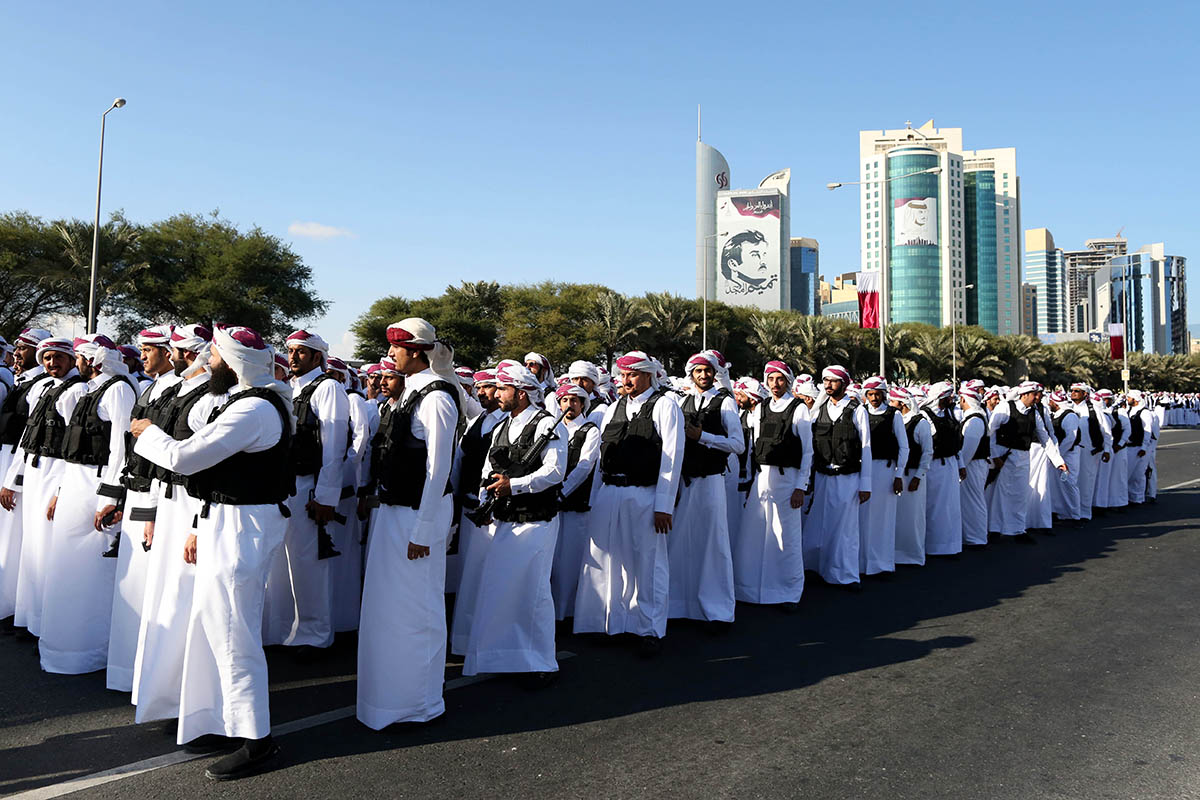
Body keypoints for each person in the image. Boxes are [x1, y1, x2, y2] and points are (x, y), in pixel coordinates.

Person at [130, 324, 292, 779]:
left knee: (233, 634)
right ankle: (226, 720)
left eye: (215, 357)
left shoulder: (255, 409)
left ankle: (257, 741)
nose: (208, 363)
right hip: (228, 520)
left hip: (243, 527)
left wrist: (147, 432)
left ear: (234, 363)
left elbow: (185, 458)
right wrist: (202, 525)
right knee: (214, 625)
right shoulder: (246, 401)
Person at [357, 318, 463, 730]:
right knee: (389, 609)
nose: (390, 357)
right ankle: (389, 700)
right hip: (394, 511)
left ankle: (418, 702)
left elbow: (439, 469)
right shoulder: (409, 393)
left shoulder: (436, 398)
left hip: (418, 516)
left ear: (416, 351)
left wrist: (423, 529)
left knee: (416, 609)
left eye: (396, 350)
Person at [131, 323, 217, 726]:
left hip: (190, 504)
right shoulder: (177, 392)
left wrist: (198, 526)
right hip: (166, 503)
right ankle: (163, 696)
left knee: (185, 600)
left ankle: (188, 700)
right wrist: (150, 514)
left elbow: (210, 467)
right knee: (164, 599)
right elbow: (154, 460)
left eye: (180, 349)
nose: (175, 354)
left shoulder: (214, 398)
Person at [574, 350, 683, 657]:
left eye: (632, 375)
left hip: (645, 494)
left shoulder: (665, 405)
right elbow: (599, 461)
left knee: (648, 564)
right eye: (622, 375)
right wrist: (595, 498)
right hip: (610, 491)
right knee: (609, 561)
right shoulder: (613, 408)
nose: (626, 381)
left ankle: (649, 629)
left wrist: (664, 505)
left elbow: (672, 459)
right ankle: (612, 623)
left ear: (648, 375)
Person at [461, 362, 565, 684]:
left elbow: (555, 471)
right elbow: (486, 470)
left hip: (536, 520)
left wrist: (516, 486)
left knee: (533, 593)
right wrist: (486, 499)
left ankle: (541, 663)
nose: (497, 393)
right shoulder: (503, 426)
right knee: (502, 590)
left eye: (503, 389)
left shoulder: (547, 424)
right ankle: (507, 657)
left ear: (521, 393)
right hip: (505, 519)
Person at [39, 335, 136, 674]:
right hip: (75, 482)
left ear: (93, 359)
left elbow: (121, 448)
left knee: (92, 571)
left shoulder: (118, 389)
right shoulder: (85, 390)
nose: (77, 361)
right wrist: (60, 491)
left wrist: (109, 496)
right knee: (67, 566)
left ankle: (94, 651)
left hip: (97, 485)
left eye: (81, 356)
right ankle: (64, 649)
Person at [264, 330, 348, 653]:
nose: (294, 357)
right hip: (285, 486)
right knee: (281, 565)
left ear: (317, 357)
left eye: (301, 352)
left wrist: (326, 496)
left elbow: (334, 445)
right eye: (291, 351)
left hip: (309, 486)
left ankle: (315, 635)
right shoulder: (290, 389)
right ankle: (283, 629)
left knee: (308, 564)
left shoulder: (327, 388)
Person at [107, 324, 180, 692]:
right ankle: (129, 673)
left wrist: (150, 508)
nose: (143, 355)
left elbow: (166, 456)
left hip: (154, 495)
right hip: (135, 488)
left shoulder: (177, 390)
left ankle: (147, 677)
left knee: (147, 586)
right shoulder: (153, 387)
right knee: (134, 583)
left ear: (168, 353)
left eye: (149, 349)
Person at [6, 338, 88, 641]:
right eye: (47, 358)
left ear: (70, 360)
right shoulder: (42, 388)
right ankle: (27, 619)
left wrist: (62, 490)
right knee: (30, 549)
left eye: (58, 358)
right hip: (34, 468)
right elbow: (28, 436)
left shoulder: (77, 390)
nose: (52, 363)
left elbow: (72, 446)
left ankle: (44, 624)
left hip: (55, 471)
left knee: (45, 550)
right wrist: (11, 481)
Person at [669, 352, 743, 628]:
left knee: (713, 543)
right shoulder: (681, 400)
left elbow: (737, 444)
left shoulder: (725, 402)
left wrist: (704, 438)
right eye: (698, 371)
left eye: (707, 371)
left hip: (711, 480)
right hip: (684, 482)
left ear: (714, 373)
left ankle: (717, 610)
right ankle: (678, 605)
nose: (703, 375)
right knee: (680, 543)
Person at [732, 360, 812, 611]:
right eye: (771, 379)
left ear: (788, 381)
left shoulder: (799, 409)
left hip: (787, 480)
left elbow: (808, 452)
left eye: (780, 379)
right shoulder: (761, 408)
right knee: (755, 536)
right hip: (762, 478)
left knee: (785, 537)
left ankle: (789, 591)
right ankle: (752, 590)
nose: (775, 384)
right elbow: (754, 447)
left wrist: (801, 486)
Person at [0, 328, 54, 627]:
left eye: (24, 349)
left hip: (21, 463)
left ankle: (14, 610)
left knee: (15, 538)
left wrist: (13, 479)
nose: (17, 354)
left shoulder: (42, 384)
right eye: (17, 348)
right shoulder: (22, 381)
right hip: (7, 457)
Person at [449, 366, 506, 646]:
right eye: (479, 387)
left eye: (488, 387)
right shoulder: (477, 421)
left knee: (487, 576)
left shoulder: (507, 422)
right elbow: (460, 460)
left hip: (491, 513)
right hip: (469, 507)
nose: (481, 392)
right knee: (468, 576)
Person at [804, 365, 871, 588]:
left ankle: (847, 575)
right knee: (819, 524)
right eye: (826, 381)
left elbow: (866, 447)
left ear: (844, 383)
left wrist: (865, 484)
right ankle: (817, 568)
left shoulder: (856, 410)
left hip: (847, 477)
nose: (828, 385)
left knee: (845, 529)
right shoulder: (820, 409)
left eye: (833, 381)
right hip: (823, 476)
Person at [987, 382, 1067, 542]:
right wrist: (994, 456)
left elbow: (1044, 436)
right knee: (999, 494)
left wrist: (1058, 461)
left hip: (1023, 456)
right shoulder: (1005, 407)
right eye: (1034, 394)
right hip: (1003, 456)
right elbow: (990, 432)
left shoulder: (1034, 412)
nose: (1037, 397)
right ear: (1024, 395)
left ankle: (1018, 529)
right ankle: (994, 529)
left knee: (1020, 494)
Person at [550, 383, 599, 622]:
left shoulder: (590, 430)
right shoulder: (551, 429)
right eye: (565, 400)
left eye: (575, 400)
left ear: (582, 404)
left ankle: (567, 614)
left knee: (570, 561)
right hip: (550, 505)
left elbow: (585, 466)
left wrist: (562, 492)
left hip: (574, 504)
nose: (569, 405)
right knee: (551, 561)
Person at [859, 376, 907, 575]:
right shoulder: (860, 413)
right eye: (870, 394)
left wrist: (899, 475)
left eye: (877, 394)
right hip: (865, 472)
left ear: (883, 394)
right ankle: (862, 564)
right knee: (863, 519)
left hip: (886, 472)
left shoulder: (892, 415)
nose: (873, 398)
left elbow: (904, 447)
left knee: (883, 519)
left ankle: (883, 564)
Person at [921, 382, 964, 557]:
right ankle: (933, 546)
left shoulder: (949, 413)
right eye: (949, 396)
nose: (952, 399)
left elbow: (956, 443)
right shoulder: (926, 415)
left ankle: (950, 546)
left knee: (950, 508)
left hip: (951, 464)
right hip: (935, 467)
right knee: (935, 507)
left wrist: (961, 465)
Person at [892, 388, 932, 565]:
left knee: (913, 518)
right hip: (898, 477)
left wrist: (918, 477)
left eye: (892, 402)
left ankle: (913, 556)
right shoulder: (895, 420)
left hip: (913, 477)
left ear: (901, 404)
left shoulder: (920, 423)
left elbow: (927, 452)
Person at [1069, 382, 1110, 522]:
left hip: (1089, 451)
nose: (1073, 393)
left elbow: (1106, 431)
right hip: (1072, 451)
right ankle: (1071, 511)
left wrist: (1107, 449)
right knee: (1071, 481)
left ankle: (1084, 513)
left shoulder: (1094, 410)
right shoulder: (1068, 408)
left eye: (1077, 391)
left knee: (1086, 482)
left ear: (1085, 394)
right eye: (1072, 390)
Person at [957, 382, 991, 547]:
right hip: (972, 465)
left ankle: (977, 537)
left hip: (973, 465)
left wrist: (960, 466)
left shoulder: (975, 420)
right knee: (969, 501)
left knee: (974, 501)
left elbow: (968, 450)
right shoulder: (975, 416)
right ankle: (972, 535)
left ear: (964, 399)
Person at [1047, 390, 1082, 526]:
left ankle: (1075, 515)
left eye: (1050, 401)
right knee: (1058, 484)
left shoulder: (1070, 416)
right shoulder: (1057, 414)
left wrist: (1058, 455)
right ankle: (1062, 513)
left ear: (1054, 402)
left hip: (1069, 454)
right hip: (1061, 454)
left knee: (1070, 483)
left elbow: (1070, 438)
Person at [1125, 390, 1155, 505]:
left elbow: (1147, 431)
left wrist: (1144, 447)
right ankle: (1130, 497)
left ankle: (1137, 498)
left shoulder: (1145, 412)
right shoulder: (1130, 410)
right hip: (1129, 446)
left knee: (1138, 475)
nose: (1127, 400)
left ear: (1135, 399)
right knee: (1130, 474)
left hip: (1139, 448)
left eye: (1129, 398)